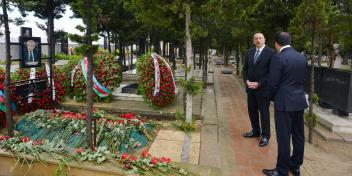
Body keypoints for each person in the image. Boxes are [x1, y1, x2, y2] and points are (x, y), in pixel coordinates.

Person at [263, 32, 308, 176]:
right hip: (299, 101)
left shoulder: (278, 58)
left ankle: (281, 170)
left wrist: (269, 98)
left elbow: (273, 83)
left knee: (283, 137)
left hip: (284, 103)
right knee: (298, 135)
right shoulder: (302, 57)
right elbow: (303, 79)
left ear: (276, 43)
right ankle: (295, 166)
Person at [242, 33, 275, 147]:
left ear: (264, 39)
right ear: (253, 40)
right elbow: (245, 68)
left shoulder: (270, 53)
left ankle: (265, 135)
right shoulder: (249, 52)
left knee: (264, 113)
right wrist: (246, 81)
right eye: (256, 38)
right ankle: (256, 131)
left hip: (263, 89)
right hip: (250, 88)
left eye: (260, 38)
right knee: (252, 111)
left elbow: (272, 72)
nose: (258, 40)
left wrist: (259, 83)